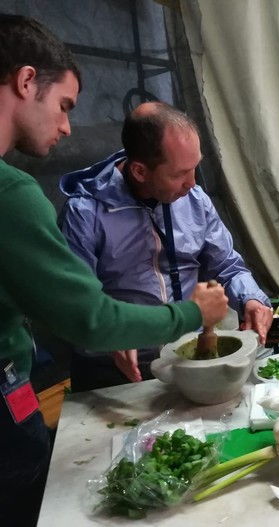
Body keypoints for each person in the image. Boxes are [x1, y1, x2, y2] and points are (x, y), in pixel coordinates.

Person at [0, 15, 227, 527]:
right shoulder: (20, 196)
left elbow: (227, 262)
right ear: (26, 80)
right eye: (64, 106)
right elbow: (90, 320)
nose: (66, 128)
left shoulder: (196, 201)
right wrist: (191, 313)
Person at [60, 101, 273, 392]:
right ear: (139, 171)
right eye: (178, 174)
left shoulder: (194, 200)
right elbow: (77, 308)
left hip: (188, 358)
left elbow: (227, 265)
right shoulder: (86, 212)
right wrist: (112, 338)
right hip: (114, 372)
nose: (192, 183)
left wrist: (252, 299)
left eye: (195, 167)